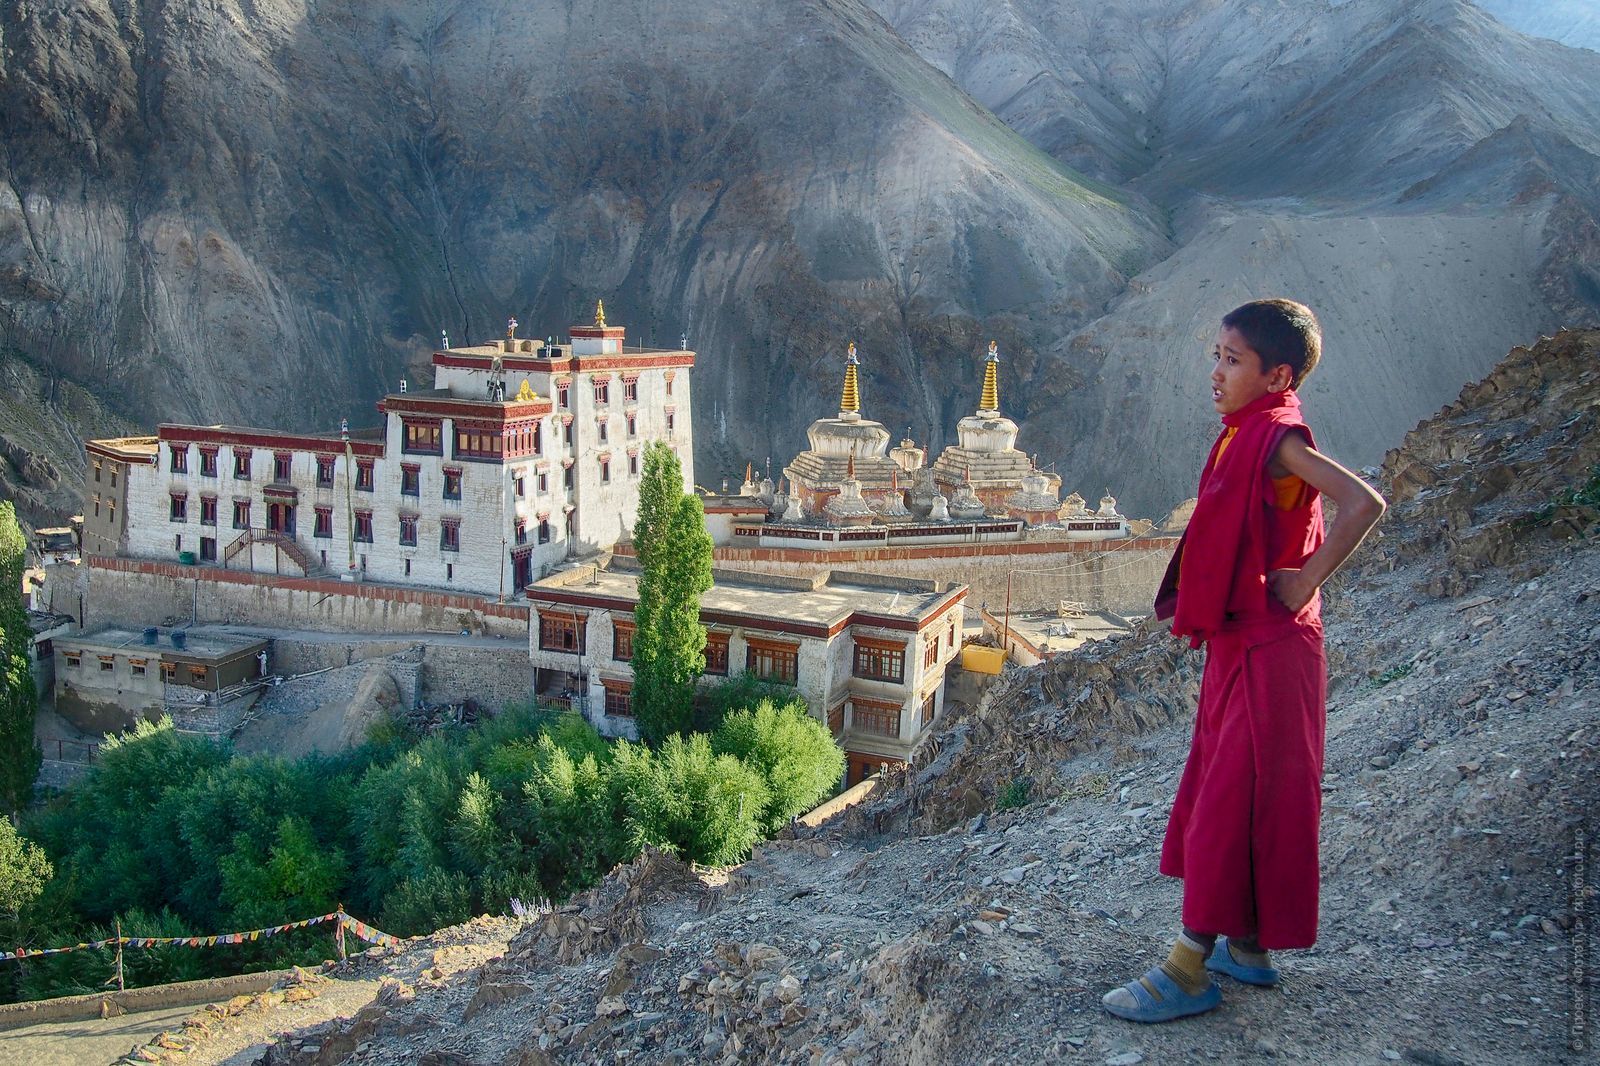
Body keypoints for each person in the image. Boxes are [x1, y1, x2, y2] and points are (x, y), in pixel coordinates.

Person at [1102, 299, 1387, 1023]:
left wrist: (1306, 576)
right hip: (1243, 642)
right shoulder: (1243, 434)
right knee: (1230, 785)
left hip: (1272, 648)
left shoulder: (1280, 439)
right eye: (1216, 356)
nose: (1216, 372)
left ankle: (1187, 967)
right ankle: (1248, 947)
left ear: (1278, 374)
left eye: (1233, 360)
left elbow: (1362, 502)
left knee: (1232, 799)